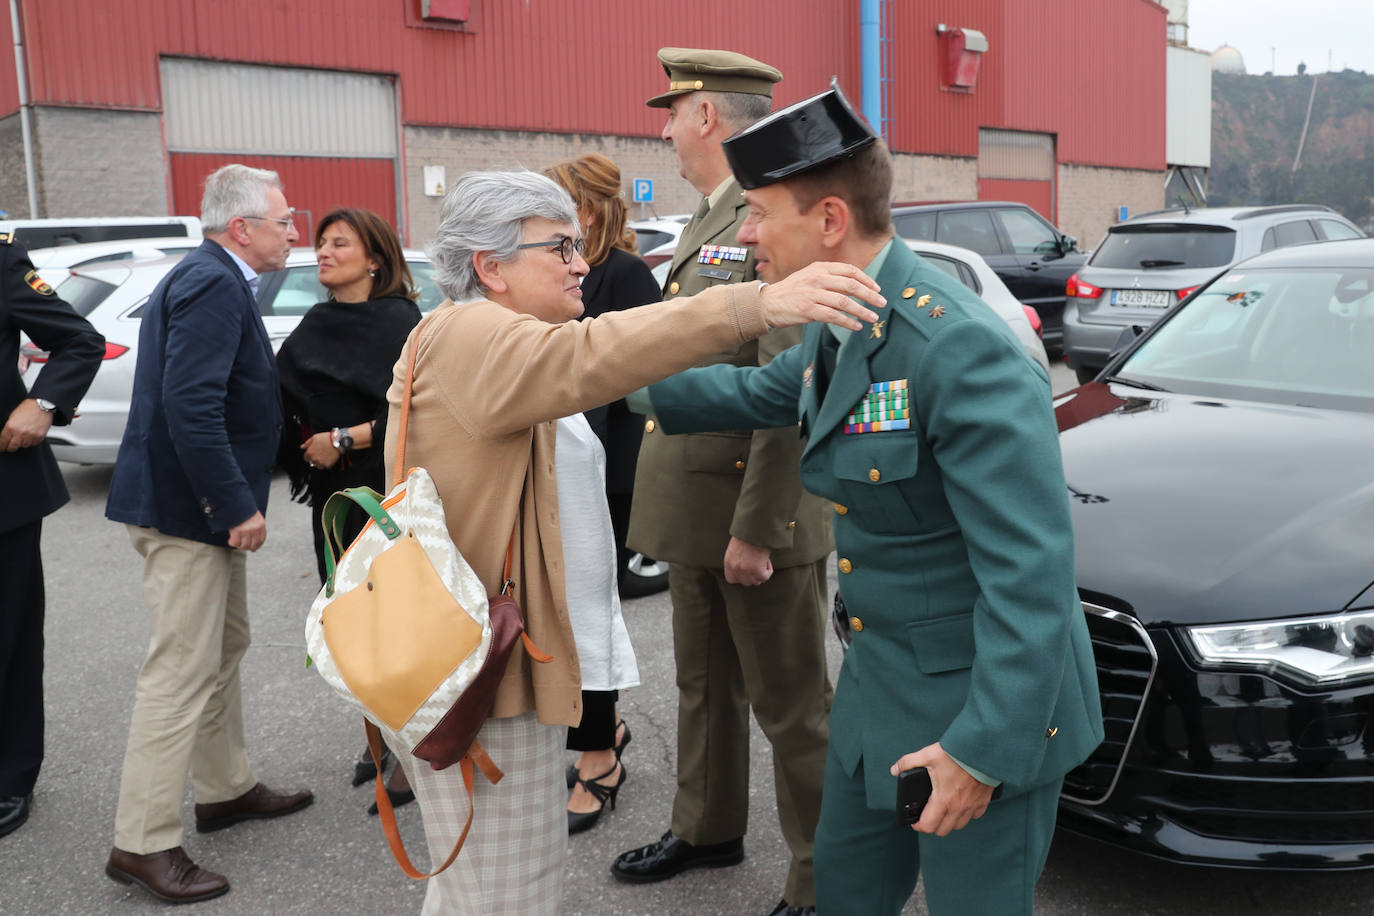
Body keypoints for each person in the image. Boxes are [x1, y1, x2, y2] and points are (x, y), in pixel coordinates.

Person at [632, 85, 1105, 916]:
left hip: (976, 712)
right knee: (844, 892)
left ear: (827, 221)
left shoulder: (959, 349)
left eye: (756, 213)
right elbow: (752, 393)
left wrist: (982, 753)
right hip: (876, 692)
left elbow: (1032, 579)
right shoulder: (843, 314)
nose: (744, 235)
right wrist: (589, 372)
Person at [379, 168, 882, 916]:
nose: (581, 263)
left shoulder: (478, 335)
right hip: (482, 677)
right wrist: (754, 302)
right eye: (559, 247)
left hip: (477, 661)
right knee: (505, 894)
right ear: (491, 267)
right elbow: (595, 353)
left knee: (483, 884)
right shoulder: (478, 334)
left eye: (578, 245)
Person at [614, 48, 835, 916]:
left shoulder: (766, 215)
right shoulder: (714, 216)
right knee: (702, 685)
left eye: (672, 113)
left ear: (706, 115)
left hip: (752, 513)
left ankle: (821, 879)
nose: (665, 130)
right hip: (699, 511)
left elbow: (788, 393)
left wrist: (760, 527)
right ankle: (708, 827)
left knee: (793, 711)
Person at [103, 164, 314, 904]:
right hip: (188, 512)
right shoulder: (211, 283)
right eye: (285, 221)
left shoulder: (219, 278)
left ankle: (225, 789)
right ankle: (142, 843)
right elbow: (189, 407)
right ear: (241, 229)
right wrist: (233, 504)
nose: (295, 232)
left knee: (223, 648)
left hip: (195, 510)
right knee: (180, 673)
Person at [275, 207, 422, 809]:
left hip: (382, 495)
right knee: (351, 622)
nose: (324, 253)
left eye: (340, 244)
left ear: (375, 259)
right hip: (331, 503)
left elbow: (415, 406)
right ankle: (381, 736)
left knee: (395, 624)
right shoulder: (316, 321)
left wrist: (342, 439)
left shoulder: (399, 321)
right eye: (320, 244)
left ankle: (413, 751)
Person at [544, 153, 659, 834]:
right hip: (558, 464)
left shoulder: (626, 274)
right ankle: (605, 730)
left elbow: (637, 371)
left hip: (604, 468)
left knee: (584, 614)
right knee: (564, 613)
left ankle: (597, 758)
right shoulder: (558, 271)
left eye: (554, 201)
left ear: (586, 210)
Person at [0, 233, 104, 840]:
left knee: (8, 640)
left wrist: (44, 402)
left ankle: (11, 776)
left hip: (4, 491)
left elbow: (79, 339)